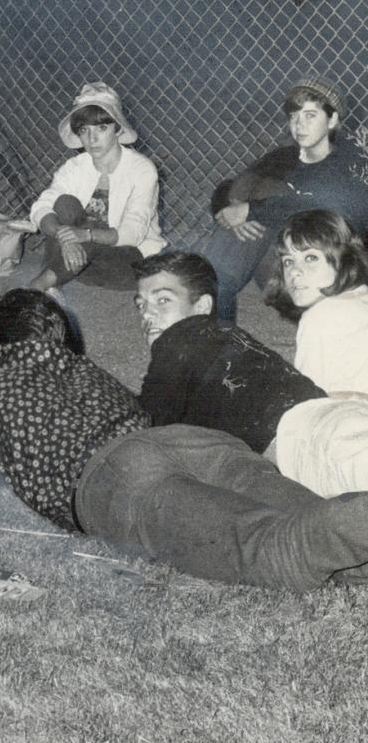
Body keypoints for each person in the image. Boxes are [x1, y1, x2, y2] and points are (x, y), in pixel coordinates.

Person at [0, 288, 368, 591]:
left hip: (118, 479)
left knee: (261, 547)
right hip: (194, 442)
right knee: (320, 529)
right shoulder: (86, 371)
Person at [197, 80, 368, 323]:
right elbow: (230, 187)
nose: (300, 125)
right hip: (285, 265)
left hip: (339, 267)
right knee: (241, 228)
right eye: (294, 116)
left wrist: (252, 211)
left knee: (271, 206)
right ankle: (219, 332)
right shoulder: (285, 156)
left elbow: (330, 203)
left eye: (310, 115)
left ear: (331, 121)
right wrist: (233, 212)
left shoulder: (349, 159)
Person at [132, 249, 321, 456]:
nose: (146, 314)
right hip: (323, 414)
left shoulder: (180, 338)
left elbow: (142, 423)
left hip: (298, 443)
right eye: (141, 305)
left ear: (202, 306)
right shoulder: (229, 336)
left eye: (163, 300)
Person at [264, 210, 368, 498]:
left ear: (343, 259)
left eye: (310, 258)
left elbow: (307, 405)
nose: (295, 273)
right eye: (288, 261)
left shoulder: (321, 316)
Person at [28, 83, 165, 295]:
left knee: (85, 232)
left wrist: (86, 235)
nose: (92, 139)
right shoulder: (75, 167)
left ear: (118, 129)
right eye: (84, 130)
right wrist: (65, 237)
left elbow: (132, 233)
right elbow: (42, 207)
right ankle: (57, 275)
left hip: (125, 261)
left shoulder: (142, 169)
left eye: (102, 128)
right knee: (63, 203)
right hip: (78, 259)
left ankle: (42, 283)